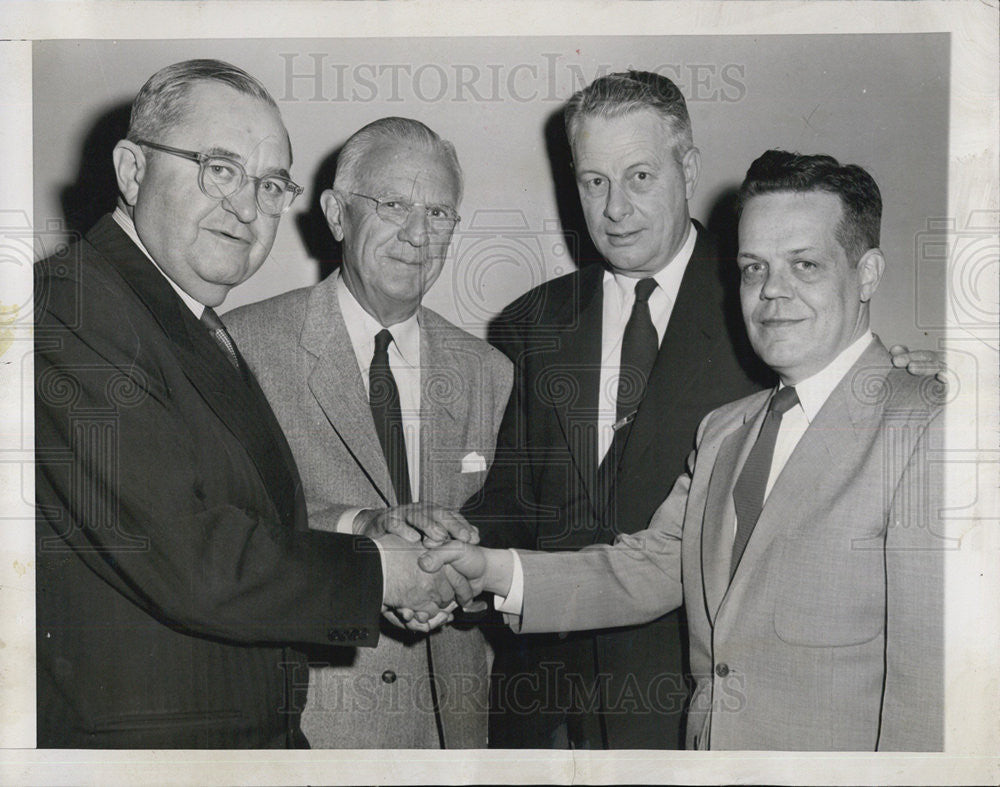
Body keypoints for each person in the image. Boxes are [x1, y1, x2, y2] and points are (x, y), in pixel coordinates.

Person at [428, 150, 947, 751]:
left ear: (868, 274)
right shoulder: (725, 431)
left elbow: (933, 693)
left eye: (804, 265)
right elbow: (651, 567)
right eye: (753, 268)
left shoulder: (931, 427)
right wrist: (490, 570)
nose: (772, 292)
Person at [34, 60, 466, 749]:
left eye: (269, 185)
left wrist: (369, 527)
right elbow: (190, 554)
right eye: (220, 168)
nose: (246, 206)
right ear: (131, 170)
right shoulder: (71, 310)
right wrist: (384, 572)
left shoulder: (180, 319)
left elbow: (244, 515)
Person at [461, 70, 772, 749]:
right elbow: (514, 500)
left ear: (687, 166)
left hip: (686, 708)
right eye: (594, 181)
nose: (614, 209)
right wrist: (452, 546)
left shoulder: (764, 310)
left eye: (638, 177)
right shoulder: (530, 321)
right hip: (541, 710)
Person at [224, 117, 512, 748]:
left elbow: (511, 534)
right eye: (393, 204)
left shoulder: (490, 371)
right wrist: (364, 530)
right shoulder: (242, 346)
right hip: (312, 727)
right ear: (335, 214)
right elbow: (227, 530)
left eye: (439, 212)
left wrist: (461, 585)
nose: (417, 233)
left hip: (454, 730)